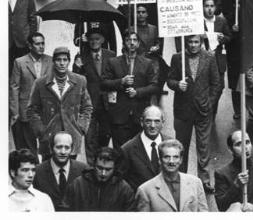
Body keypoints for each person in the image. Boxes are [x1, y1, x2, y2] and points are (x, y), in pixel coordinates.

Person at [167, 34, 220, 193]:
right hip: (183, 110)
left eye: (196, 42)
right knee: (181, 145)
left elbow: (216, 84)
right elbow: (169, 80)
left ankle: (204, 181)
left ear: (201, 43)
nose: (193, 45)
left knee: (203, 147)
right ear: (186, 42)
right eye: (190, 42)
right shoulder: (177, 58)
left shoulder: (210, 58)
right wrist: (177, 84)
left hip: (203, 110)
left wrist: (210, 103)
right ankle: (180, 178)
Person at [27, 47, 93, 160]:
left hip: (71, 135)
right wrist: (41, 130)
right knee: (49, 172)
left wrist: (81, 127)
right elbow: (32, 110)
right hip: (49, 137)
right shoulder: (41, 83)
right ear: (53, 62)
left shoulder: (80, 81)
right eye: (58, 60)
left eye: (65, 60)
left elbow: (87, 107)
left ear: (69, 61)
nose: (62, 63)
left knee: (70, 171)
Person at [101, 31, 159, 147]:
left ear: (138, 44)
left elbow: (154, 86)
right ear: (124, 43)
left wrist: (137, 92)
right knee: (120, 151)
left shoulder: (147, 63)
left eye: (134, 40)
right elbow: (103, 83)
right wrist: (121, 81)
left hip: (139, 115)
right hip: (119, 116)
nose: (131, 43)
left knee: (139, 151)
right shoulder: (113, 62)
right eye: (128, 40)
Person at [72, 27, 116, 165]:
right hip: (89, 103)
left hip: (107, 103)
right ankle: (91, 166)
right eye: (91, 39)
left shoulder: (111, 55)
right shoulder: (82, 56)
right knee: (90, 137)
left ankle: (102, 164)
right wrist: (77, 66)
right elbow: (75, 79)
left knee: (105, 135)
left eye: (97, 39)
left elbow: (115, 75)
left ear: (102, 40)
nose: (94, 42)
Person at [135, 139, 209, 212]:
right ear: (160, 160)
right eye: (167, 157)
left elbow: (204, 214)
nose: (171, 161)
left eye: (175, 157)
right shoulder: (145, 190)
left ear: (181, 160)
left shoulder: (196, 183)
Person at [10, 32, 53, 156]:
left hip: (46, 111)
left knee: (47, 147)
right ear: (30, 46)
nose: (41, 46)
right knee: (29, 148)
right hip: (26, 110)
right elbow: (14, 87)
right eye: (37, 44)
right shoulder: (20, 62)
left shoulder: (50, 60)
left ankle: (45, 173)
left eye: (43, 43)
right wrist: (15, 112)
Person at [64, 147, 135, 211]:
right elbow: (64, 211)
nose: (103, 173)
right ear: (94, 165)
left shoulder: (124, 190)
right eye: (100, 168)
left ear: (114, 169)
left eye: (108, 169)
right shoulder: (78, 185)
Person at [32, 131, 88, 211]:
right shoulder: (37, 171)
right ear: (51, 148)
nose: (63, 152)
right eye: (59, 147)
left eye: (67, 147)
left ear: (72, 149)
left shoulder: (83, 170)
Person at [120, 105, 169, 192]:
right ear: (141, 122)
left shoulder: (172, 145)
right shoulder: (127, 149)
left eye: (157, 121)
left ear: (163, 123)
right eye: (148, 121)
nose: (153, 126)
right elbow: (123, 185)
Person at [200, 0, 231, 117]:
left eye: (211, 6)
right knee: (205, 86)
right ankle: (205, 113)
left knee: (219, 87)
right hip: (203, 58)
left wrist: (223, 38)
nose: (209, 9)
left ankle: (211, 110)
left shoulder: (221, 21)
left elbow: (229, 37)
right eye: (206, 6)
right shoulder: (198, 22)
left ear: (215, 7)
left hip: (218, 59)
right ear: (202, 7)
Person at [9, 0, 38, 74]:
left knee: (25, 71)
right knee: (9, 70)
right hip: (7, 43)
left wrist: (30, 39)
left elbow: (33, 20)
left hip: (23, 42)